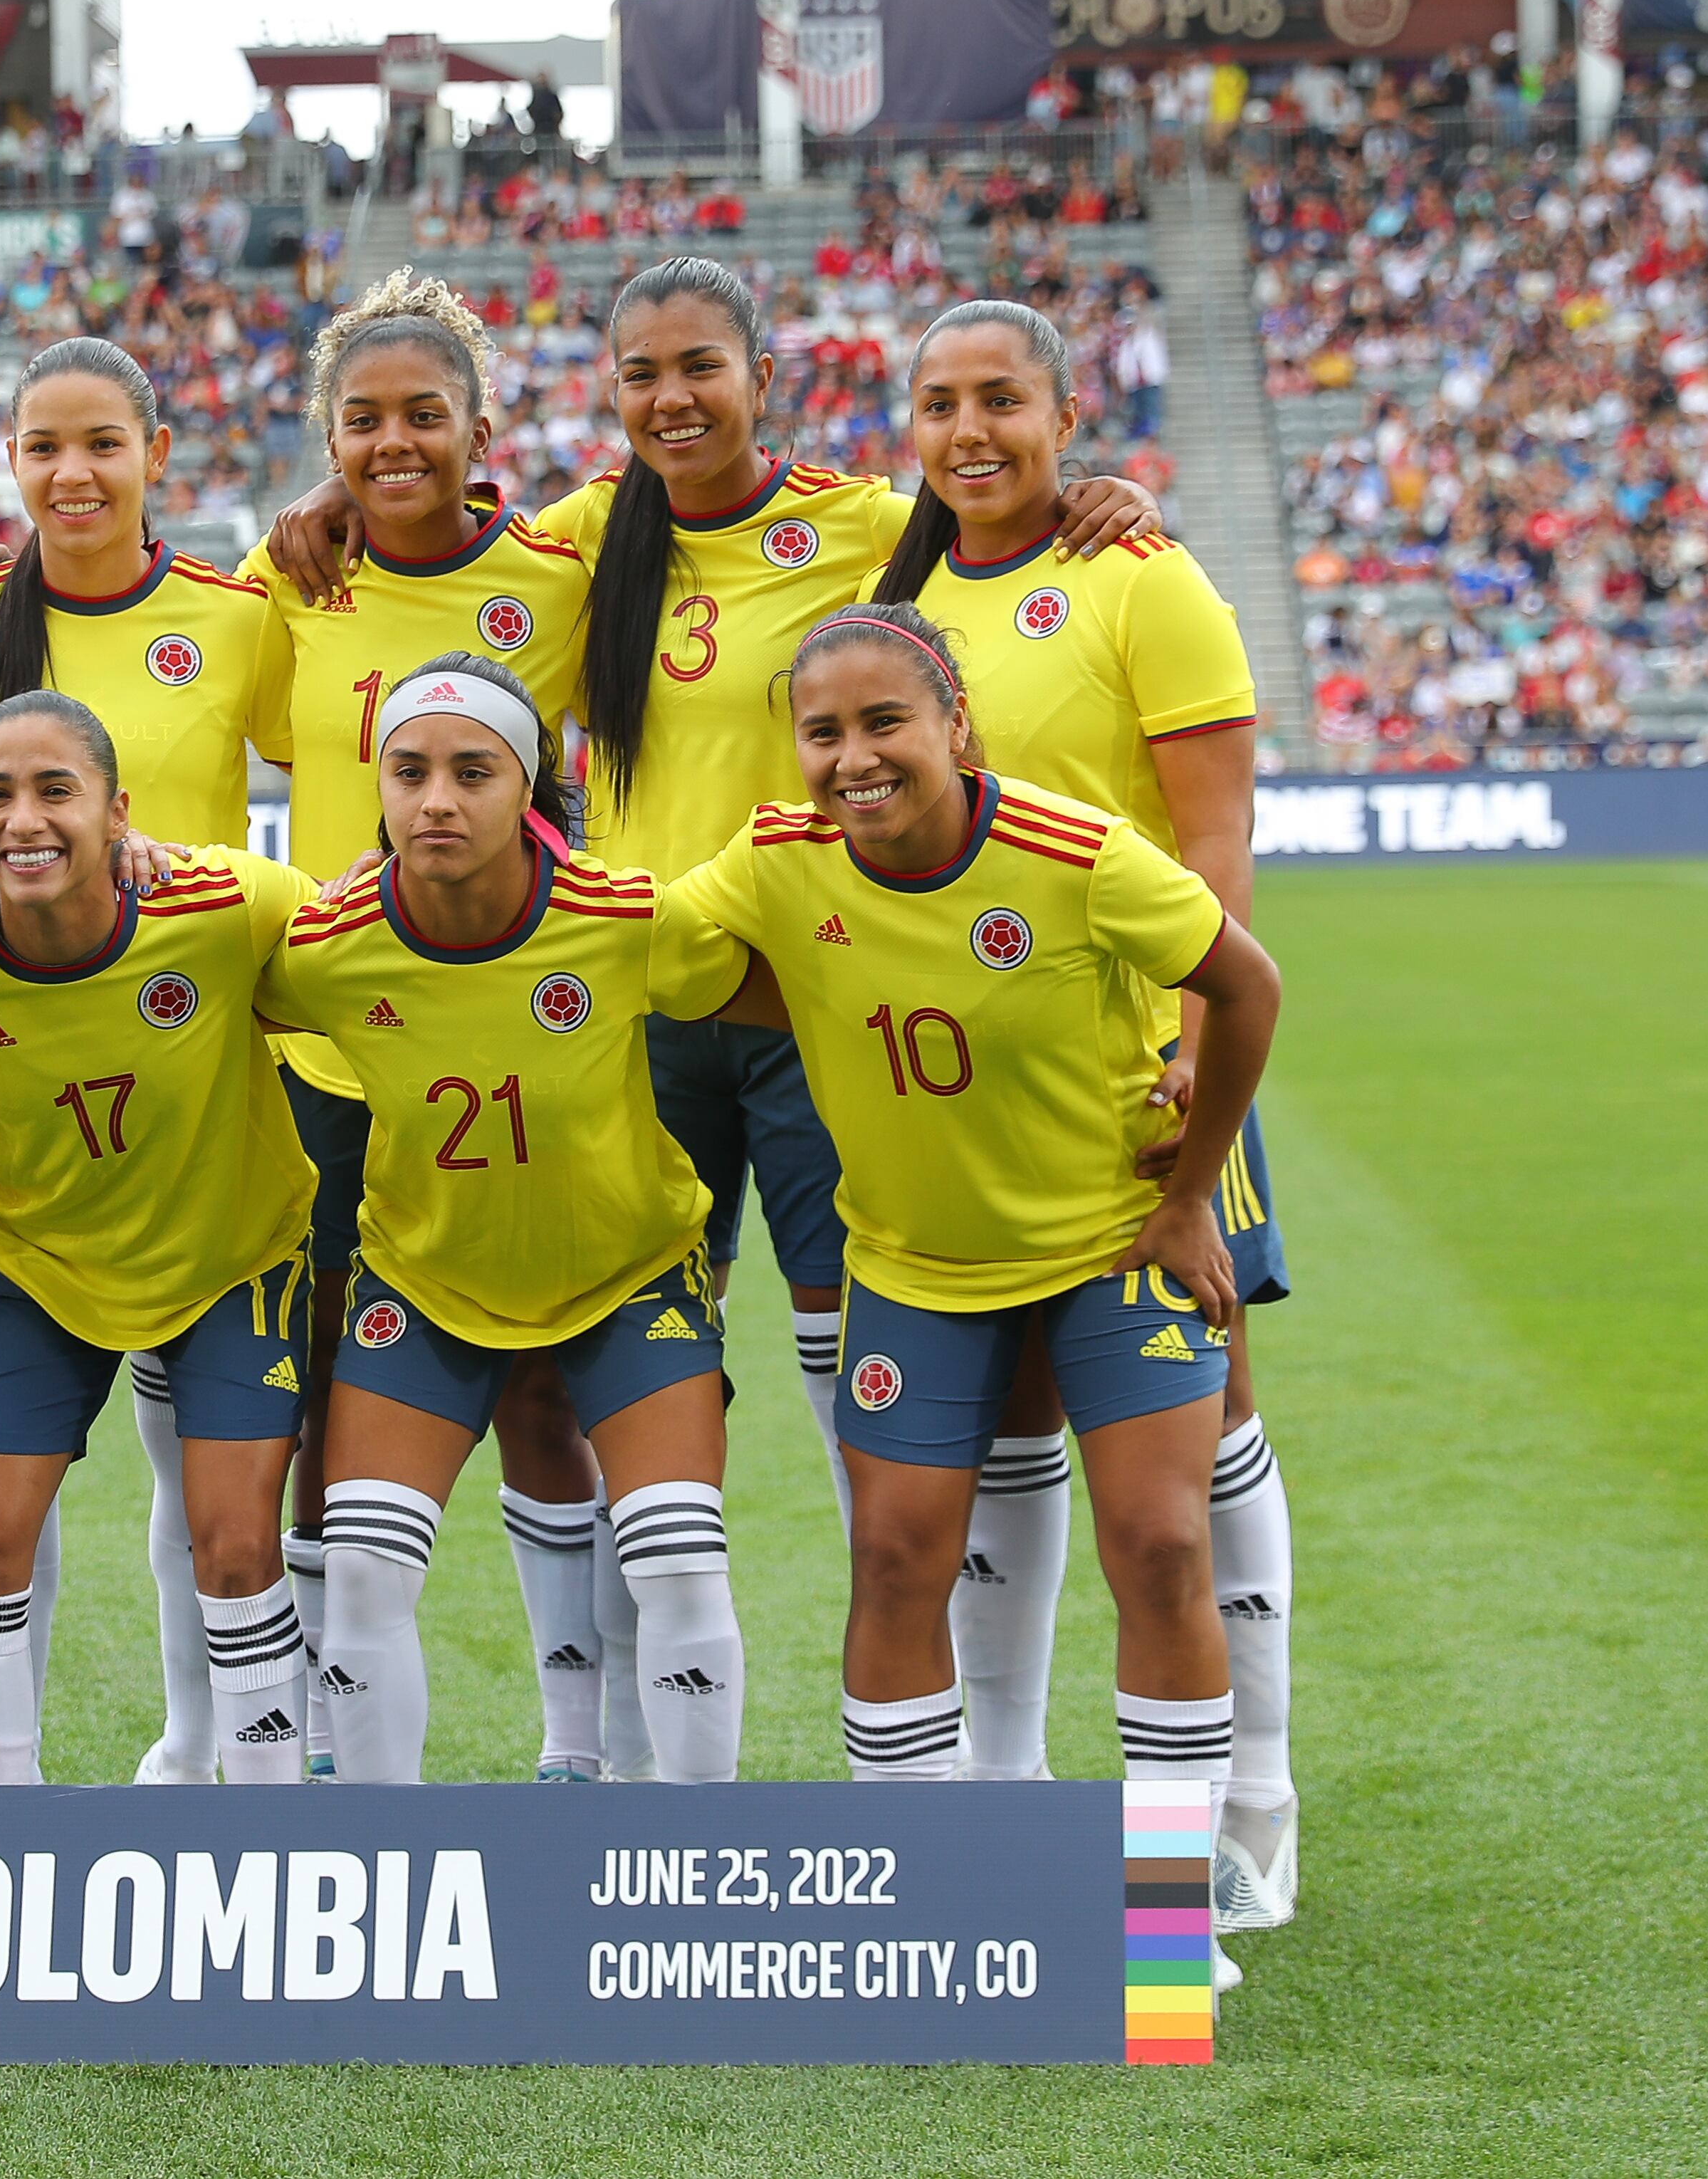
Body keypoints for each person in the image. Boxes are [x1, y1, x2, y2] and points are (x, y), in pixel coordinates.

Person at [262, 259, 1163, 1780]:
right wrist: (337, 511)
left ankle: (964, 1769)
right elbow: (438, 556)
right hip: (619, 1012)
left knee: (865, 1386)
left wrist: (1096, 501)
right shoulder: (574, 543)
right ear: (608, 393)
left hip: (816, 1009)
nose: (670, 398)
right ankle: (600, 1751)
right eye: (639, 374)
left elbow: (987, 511)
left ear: (761, 375)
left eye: (700, 366)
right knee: (582, 1371)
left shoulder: (867, 526)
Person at [666, 605, 1279, 1987]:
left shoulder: (1073, 855)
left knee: (1162, 1544)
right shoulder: (774, 865)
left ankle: (1161, 1915)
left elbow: (1244, 986)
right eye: (819, 733)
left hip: (1110, 1249)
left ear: (954, 725)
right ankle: (930, 1898)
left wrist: (1191, 1190)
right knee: (892, 1559)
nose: (850, 757)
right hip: (914, 1268)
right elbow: (636, 940)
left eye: (882, 722)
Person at [876, 298, 1299, 1930]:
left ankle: (1246, 1808)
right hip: (969, 1100)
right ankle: (1006, 1790)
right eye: (938, 404)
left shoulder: (1145, 578)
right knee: (1004, 1415)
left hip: (1140, 1066)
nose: (970, 431)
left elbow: (1210, 844)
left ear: (1065, 416)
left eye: (1001, 400)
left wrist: (1198, 1042)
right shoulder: (895, 603)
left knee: (1198, 1416)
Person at [242, 270, 612, 1783]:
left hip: (519, 1036)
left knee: (538, 1372)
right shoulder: (286, 582)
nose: (392, 444)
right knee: (327, 1374)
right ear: (325, 439)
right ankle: (334, 1740)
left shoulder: (563, 574)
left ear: (480, 423)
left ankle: (576, 1742)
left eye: (422, 415)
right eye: (360, 422)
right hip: (335, 1044)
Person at [256, 654, 751, 1785]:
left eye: (471, 771)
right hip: (426, 1285)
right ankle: (381, 1870)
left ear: (528, 783)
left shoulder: (623, 918)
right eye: (409, 770)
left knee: (676, 1553)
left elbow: (799, 994)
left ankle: (684, 1856)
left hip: (628, 1277)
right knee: (367, 1568)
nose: (436, 798)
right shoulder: (326, 945)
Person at [0, 337, 283, 1785]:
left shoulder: (241, 615)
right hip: (16, 1075)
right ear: (7, 462)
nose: (70, 473)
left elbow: (333, 745)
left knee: (190, 1464)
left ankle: (196, 1746)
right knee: (3, 1485)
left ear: (157, 456)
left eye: (102, 443)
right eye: (40, 447)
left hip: (193, 1076)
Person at [0, 694, 320, 1784]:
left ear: (119, 810)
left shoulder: (226, 906)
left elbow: (383, 957)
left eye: (55, 790)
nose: (24, 819)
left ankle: (266, 1848)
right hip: (36, 1267)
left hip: (229, 1257)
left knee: (236, 1544)